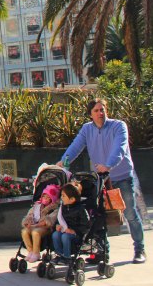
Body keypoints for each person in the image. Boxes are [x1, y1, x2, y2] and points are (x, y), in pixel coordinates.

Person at [57, 98, 146, 264]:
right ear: (90, 114)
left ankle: (139, 249)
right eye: (96, 111)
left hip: (122, 177)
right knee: (98, 216)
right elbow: (75, 147)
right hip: (101, 179)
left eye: (102, 109)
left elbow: (119, 147)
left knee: (130, 213)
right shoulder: (87, 129)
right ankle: (102, 252)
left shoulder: (119, 126)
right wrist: (63, 163)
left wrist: (108, 165)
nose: (100, 113)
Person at [21, 184, 60, 262]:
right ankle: (30, 251)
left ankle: (36, 253)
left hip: (46, 227)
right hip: (34, 225)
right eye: (44, 197)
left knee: (36, 232)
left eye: (48, 198)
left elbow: (48, 221)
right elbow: (30, 214)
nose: (45, 199)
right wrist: (28, 221)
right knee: (24, 231)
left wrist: (34, 225)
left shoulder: (55, 208)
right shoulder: (37, 206)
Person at [52, 183, 90, 264]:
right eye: (61, 195)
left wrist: (74, 231)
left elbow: (86, 225)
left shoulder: (81, 209)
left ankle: (67, 257)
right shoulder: (63, 207)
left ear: (72, 199)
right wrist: (57, 225)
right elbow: (59, 219)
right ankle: (59, 255)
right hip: (65, 231)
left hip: (77, 235)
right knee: (55, 234)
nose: (61, 198)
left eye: (63, 196)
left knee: (65, 236)